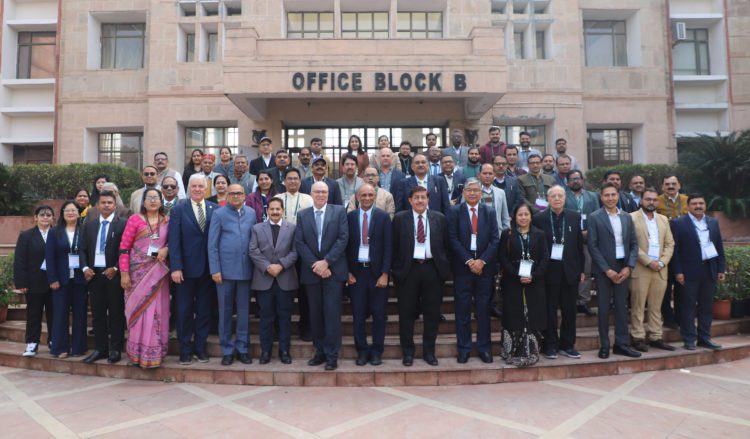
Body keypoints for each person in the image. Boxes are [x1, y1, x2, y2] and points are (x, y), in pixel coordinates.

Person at [392, 186, 450, 366]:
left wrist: (443, 269)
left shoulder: (439, 218)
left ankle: (429, 352)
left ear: (428, 200)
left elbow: (446, 245)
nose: (420, 200)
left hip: (432, 269)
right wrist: (396, 269)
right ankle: (408, 352)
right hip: (408, 270)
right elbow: (393, 246)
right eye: (416, 197)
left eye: (423, 197)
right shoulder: (400, 219)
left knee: (432, 314)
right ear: (410, 200)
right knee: (406, 313)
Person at [295, 182, 349, 371]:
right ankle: (319, 352)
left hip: (333, 271)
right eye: (317, 191)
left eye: (324, 192)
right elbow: (300, 243)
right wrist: (316, 265)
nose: (320, 194)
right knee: (315, 314)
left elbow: (343, 238)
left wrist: (326, 262)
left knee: (332, 314)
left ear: (328, 194)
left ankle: (332, 355)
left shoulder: (339, 212)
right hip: (312, 272)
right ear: (311, 193)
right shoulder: (303, 215)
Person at [448, 179, 500, 364]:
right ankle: (464, 348)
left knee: (483, 310)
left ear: (481, 193)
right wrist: (470, 261)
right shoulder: (455, 211)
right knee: (462, 310)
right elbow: (452, 239)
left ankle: (484, 348)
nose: (472, 193)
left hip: (484, 270)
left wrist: (482, 261)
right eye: (469, 190)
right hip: (463, 269)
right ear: (463, 193)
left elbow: (495, 239)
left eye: (475, 190)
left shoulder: (489, 211)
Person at [118, 188, 171, 368]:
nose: (153, 201)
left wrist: (166, 249)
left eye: (156, 198)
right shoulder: (135, 219)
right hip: (136, 275)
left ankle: (154, 352)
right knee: (138, 311)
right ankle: (137, 353)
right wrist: (124, 273)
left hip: (158, 274)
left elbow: (173, 242)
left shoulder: (167, 221)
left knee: (157, 311)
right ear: (144, 202)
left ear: (161, 201)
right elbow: (124, 248)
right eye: (149, 198)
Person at [168, 174, 218, 365]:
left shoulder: (214, 209)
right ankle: (185, 350)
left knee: (205, 311)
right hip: (185, 271)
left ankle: (200, 347)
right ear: (189, 188)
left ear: (206, 188)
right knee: (184, 311)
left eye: (200, 186)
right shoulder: (179, 209)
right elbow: (174, 241)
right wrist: (176, 267)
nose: (197, 189)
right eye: (194, 186)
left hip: (208, 270)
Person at [587, 183, 640, 359]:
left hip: (623, 267)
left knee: (622, 307)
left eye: (613, 195)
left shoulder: (626, 217)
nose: (610, 198)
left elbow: (634, 244)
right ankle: (604, 345)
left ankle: (621, 344)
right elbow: (592, 246)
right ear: (601, 197)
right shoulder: (594, 217)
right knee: (603, 309)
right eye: (606, 195)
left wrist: (629, 266)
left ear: (618, 196)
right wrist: (607, 270)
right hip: (604, 269)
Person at [532, 186, 585, 359]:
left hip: (570, 271)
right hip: (548, 272)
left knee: (570, 311)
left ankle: (567, 345)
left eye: (560, 195)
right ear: (548, 199)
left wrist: (581, 269)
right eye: (553, 196)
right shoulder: (539, 218)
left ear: (565, 198)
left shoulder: (574, 217)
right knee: (549, 310)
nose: (557, 199)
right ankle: (550, 345)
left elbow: (579, 245)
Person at [208, 184, 256, 365]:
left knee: (244, 312)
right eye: (232, 193)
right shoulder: (219, 214)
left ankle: (242, 348)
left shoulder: (251, 213)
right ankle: (227, 349)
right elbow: (212, 245)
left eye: (239, 193)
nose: (236, 196)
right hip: (224, 272)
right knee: (225, 312)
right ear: (227, 196)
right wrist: (215, 269)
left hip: (246, 270)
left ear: (244, 196)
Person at [671, 194, 726, 351]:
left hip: (709, 270)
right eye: (694, 203)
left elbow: (719, 246)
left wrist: (721, 268)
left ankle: (704, 338)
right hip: (688, 272)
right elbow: (675, 251)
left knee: (706, 307)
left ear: (705, 205)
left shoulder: (713, 222)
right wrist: (678, 271)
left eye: (701, 203)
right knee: (687, 307)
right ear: (688, 206)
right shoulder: (678, 223)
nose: (698, 206)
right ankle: (689, 339)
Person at [346, 184, 392, 366]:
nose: (366, 198)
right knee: (358, 315)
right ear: (357, 197)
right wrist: (347, 272)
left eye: (370, 195)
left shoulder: (383, 217)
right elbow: (345, 246)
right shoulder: (350, 217)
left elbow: (389, 247)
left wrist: (385, 273)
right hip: (356, 273)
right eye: (363, 195)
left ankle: (376, 351)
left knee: (379, 315)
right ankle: (362, 351)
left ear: (375, 197)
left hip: (377, 273)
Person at [79, 192, 127, 364]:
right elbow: (82, 249)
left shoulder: (123, 224)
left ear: (115, 205)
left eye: (109, 202)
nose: (106, 205)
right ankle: (101, 349)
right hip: (94, 276)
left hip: (114, 275)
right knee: (98, 314)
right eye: (103, 202)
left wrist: (116, 268)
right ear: (98, 205)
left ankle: (115, 349)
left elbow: (127, 250)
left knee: (116, 313)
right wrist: (85, 268)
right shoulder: (89, 224)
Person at [249, 197, 298, 364]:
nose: (275, 212)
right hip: (264, 279)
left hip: (285, 279)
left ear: (282, 210)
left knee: (285, 317)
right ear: (267, 211)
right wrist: (268, 266)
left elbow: (295, 251)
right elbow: (253, 250)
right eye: (272, 209)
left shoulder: (292, 228)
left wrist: (281, 265)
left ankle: (284, 351)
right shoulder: (257, 228)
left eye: (278, 209)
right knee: (266, 318)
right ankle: (265, 351)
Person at [499, 203, 549, 367]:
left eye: (526, 214)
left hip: (535, 281)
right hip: (512, 281)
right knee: (513, 314)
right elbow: (503, 258)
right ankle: (511, 351)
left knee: (533, 314)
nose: (523, 217)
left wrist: (533, 275)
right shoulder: (507, 234)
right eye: (520, 215)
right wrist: (516, 274)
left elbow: (545, 259)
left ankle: (532, 351)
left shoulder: (540, 234)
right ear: (515, 217)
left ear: (531, 216)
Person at [629, 188, 676, 352]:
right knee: (638, 306)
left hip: (660, 269)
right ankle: (638, 337)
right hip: (641, 268)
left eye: (654, 200)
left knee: (656, 306)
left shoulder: (663, 219)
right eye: (648, 199)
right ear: (641, 201)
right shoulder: (631, 218)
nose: (651, 202)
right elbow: (632, 244)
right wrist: (649, 262)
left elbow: (670, 244)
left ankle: (656, 336)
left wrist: (662, 262)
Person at [45, 201, 87, 358]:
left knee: (80, 314)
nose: (70, 213)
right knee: (60, 314)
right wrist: (52, 278)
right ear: (62, 214)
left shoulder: (84, 231)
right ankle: (60, 348)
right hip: (60, 280)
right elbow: (49, 257)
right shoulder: (54, 232)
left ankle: (78, 348)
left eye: (73, 210)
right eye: (67, 210)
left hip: (80, 279)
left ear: (78, 213)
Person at [14, 205, 55, 357]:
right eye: (42, 215)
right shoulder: (26, 236)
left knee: (54, 314)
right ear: (35, 218)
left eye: (48, 215)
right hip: (34, 282)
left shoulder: (58, 234)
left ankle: (54, 341)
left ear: (53, 218)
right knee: (34, 314)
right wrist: (22, 282)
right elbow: (20, 260)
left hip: (55, 282)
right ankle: (32, 343)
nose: (45, 217)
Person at [565, 170, 601, 317]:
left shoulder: (592, 196)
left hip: (587, 238)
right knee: (570, 271)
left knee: (586, 270)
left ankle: (583, 301)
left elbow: (598, 215)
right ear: (567, 182)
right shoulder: (563, 196)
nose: (575, 181)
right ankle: (571, 300)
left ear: (582, 180)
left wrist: (588, 232)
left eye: (578, 178)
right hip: (569, 239)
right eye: (572, 179)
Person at [658, 174, 689, 329]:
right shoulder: (657, 201)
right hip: (663, 249)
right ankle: (668, 317)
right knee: (665, 285)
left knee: (682, 285)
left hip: (684, 249)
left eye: (673, 184)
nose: (670, 186)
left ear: (679, 185)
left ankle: (681, 317)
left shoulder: (687, 200)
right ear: (663, 186)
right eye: (667, 184)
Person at [477, 163, 511, 233]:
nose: (487, 176)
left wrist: (505, 230)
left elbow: (505, 215)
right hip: (478, 232)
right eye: (484, 173)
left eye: (490, 174)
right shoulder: (472, 191)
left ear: (494, 175)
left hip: (496, 232)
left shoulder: (500, 192)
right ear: (479, 175)